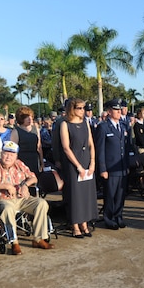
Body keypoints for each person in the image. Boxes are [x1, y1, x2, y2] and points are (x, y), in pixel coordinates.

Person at [0, 141, 55, 255]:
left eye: (11, 155)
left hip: (21, 198)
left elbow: (33, 177)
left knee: (41, 203)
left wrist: (25, 185)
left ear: (16, 156)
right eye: (6, 153)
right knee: (8, 209)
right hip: (3, 200)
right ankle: (14, 242)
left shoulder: (19, 164)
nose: (8, 157)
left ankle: (38, 238)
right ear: (1, 153)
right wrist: (5, 186)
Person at [59, 98, 97, 238]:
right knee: (75, 195)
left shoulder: (86, 122)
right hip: (73, 163)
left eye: (83, 108)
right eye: (79, 108)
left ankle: (85, 224)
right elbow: (66, 147)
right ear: (72, 109)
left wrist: (92, 162)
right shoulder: (65, 124)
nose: (83, 111)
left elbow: (91, 144)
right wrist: (78, 166)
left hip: (87, 160)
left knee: (86, 193)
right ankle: (75, 226)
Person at [94, 98, 133, 229]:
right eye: (116, 110)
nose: (119, 112)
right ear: (109, 111)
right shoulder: (103, 127)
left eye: (119, 109)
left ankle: (118, 216)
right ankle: (109, 218)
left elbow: (126, 148)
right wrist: (102, 169)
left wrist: (127, 165)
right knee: (110, 195)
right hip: (110, 168)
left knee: (121, 195)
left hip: (121, 167)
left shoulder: (123, 126)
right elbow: (100, 150)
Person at [11, 106, 43, 178]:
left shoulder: (35, 129)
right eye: (27, 117)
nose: (30, 119)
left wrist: (42, 162)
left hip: (34, 159)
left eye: (31, 116)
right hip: (22, 160)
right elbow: (13, 150)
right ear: (21, 118)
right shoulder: (16, 131)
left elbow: (39, 147)